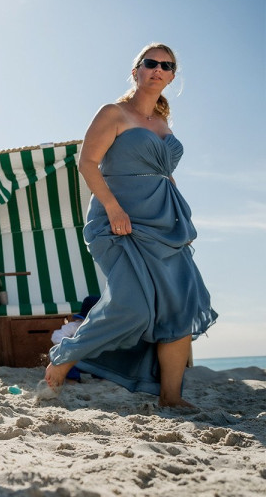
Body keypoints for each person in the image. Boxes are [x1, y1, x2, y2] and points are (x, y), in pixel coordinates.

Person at [45, 43, 216, 408]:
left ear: (171, 76)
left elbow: (162, 174)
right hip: (117, 221)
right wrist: (113, 208)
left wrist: (177, 212)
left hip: (165, 223)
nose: (158, 69)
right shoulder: (114, 113)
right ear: (136, 70)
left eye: (167, 66)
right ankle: (64, 356)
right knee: (131, 306)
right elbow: (88, 163)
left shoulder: (163, 123)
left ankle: (171, 397)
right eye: (151, 63)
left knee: (178, 308)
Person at [49, 295, 100, 382]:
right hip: (77, 360)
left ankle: (100, 377)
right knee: (65, 361)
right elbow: (56, 336)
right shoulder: (76, 326)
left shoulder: (103, 328)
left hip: (95, 360)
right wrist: (69, 345)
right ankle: (73, 380)